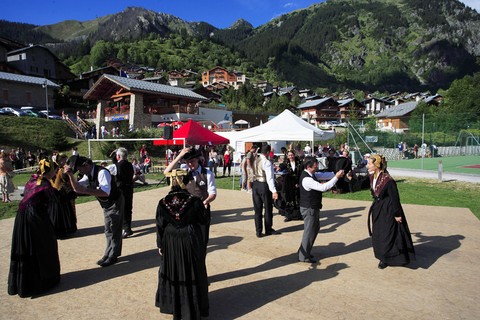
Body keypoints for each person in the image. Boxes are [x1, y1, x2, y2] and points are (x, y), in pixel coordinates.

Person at [155, 169, 209, 319]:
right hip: (189, 238)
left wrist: (160, 244)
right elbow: (203, 220)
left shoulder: (163, 202)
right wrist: (207, 209)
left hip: (170, 239)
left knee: (174, 269)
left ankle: (173, 304)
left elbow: (160, 224)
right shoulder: (194, 200)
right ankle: (190, 307)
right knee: (190, 268)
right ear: (185, 181)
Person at [8, 159, 61, 297]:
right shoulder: (45, 185)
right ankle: (43, 280)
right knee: (43, 245)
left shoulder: (32, 180)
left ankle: (23, 283)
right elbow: (56, 200)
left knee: (26, 246)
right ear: (50, 171)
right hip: (35, 218)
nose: (56, 172)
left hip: (21, 217)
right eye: (55, 170)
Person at [65, 156, 122, 267]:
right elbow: (77, 187)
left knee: (114, 228)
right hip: (106, 204)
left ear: (86, 165)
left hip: (114, 202)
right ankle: (108, 253)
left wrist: (86, 191)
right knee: (108, 229)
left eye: (79, 169)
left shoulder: (102, 173)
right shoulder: (88, 174)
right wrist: (70, 175)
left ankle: (113, 255)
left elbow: (106, 193)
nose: (80, 172)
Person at [367, 154, 416, 269]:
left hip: (388, 210)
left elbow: (395, 198)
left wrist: (397, 214)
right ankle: (382, 256)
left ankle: (387, 258)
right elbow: (362, 185)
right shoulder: (372, 176)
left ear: (376, 165)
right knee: (378, 234)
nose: (367, 166)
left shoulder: (388, 180)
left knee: (387, 234)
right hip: (378, 209)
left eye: (369, 163)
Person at [164, 147, 217, 248]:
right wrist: (179, 156)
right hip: (186, 211)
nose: (190, 164)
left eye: (192, 161)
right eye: (187, 162)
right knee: (188, 241)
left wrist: (205, 202)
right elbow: (166, 172)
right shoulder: (183, 171)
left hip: (202, 209)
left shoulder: (208, 174)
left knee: (202, 240)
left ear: (198, 159)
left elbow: (212, 194)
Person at [298, 156, 344, 263]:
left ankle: (305, 252)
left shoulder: (311, 174)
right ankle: (303, 255)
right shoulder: (307, 179)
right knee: (309, 232)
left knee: (314, 229)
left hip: (312, 207)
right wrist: (336, 177)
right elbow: (323, 188)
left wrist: (337, 173)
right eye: (315, 167)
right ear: (308, 167)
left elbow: (325, 175)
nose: (316, 169)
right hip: (309, 208)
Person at [252, 144, 280, 238]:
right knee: (268, 208)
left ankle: (258, 231)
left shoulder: (256, 159)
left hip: (255, 184)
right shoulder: (267, 162)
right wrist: (274, 191)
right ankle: (268, 229)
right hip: (264, 185)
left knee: (257, 209)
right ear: (268, 152)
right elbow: (270, 178)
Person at [50, 153, 77, 238]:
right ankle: (64, 229)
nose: (65, 161)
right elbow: (63, 181)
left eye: (65, 159)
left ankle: (69, 227)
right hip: (61, 192)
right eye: (63, 159)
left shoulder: (63, 168)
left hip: (65, 192)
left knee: (68, 210)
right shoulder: (58, 169)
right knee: (63, 212)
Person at [114, 148, 135, 238]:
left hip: (120, 189)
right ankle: (127, 228)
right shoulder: (130, 165)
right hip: (129, 188)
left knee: (121, 209)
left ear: (118, 156)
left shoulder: (116, 166)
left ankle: (125, 229)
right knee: (128, 209)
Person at [283, 149, 302, 222]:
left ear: (294, 155)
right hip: (289, 184)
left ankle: (299, 215)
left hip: (297, 183)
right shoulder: (286, 163)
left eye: (292, 155)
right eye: (289, 155)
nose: (291, 157)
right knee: (289, 199)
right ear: (287, 156)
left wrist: (299, 183)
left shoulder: (299, 163)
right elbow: (281, 168)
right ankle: (289, 216)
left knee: (298, 198)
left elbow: (300, 173)